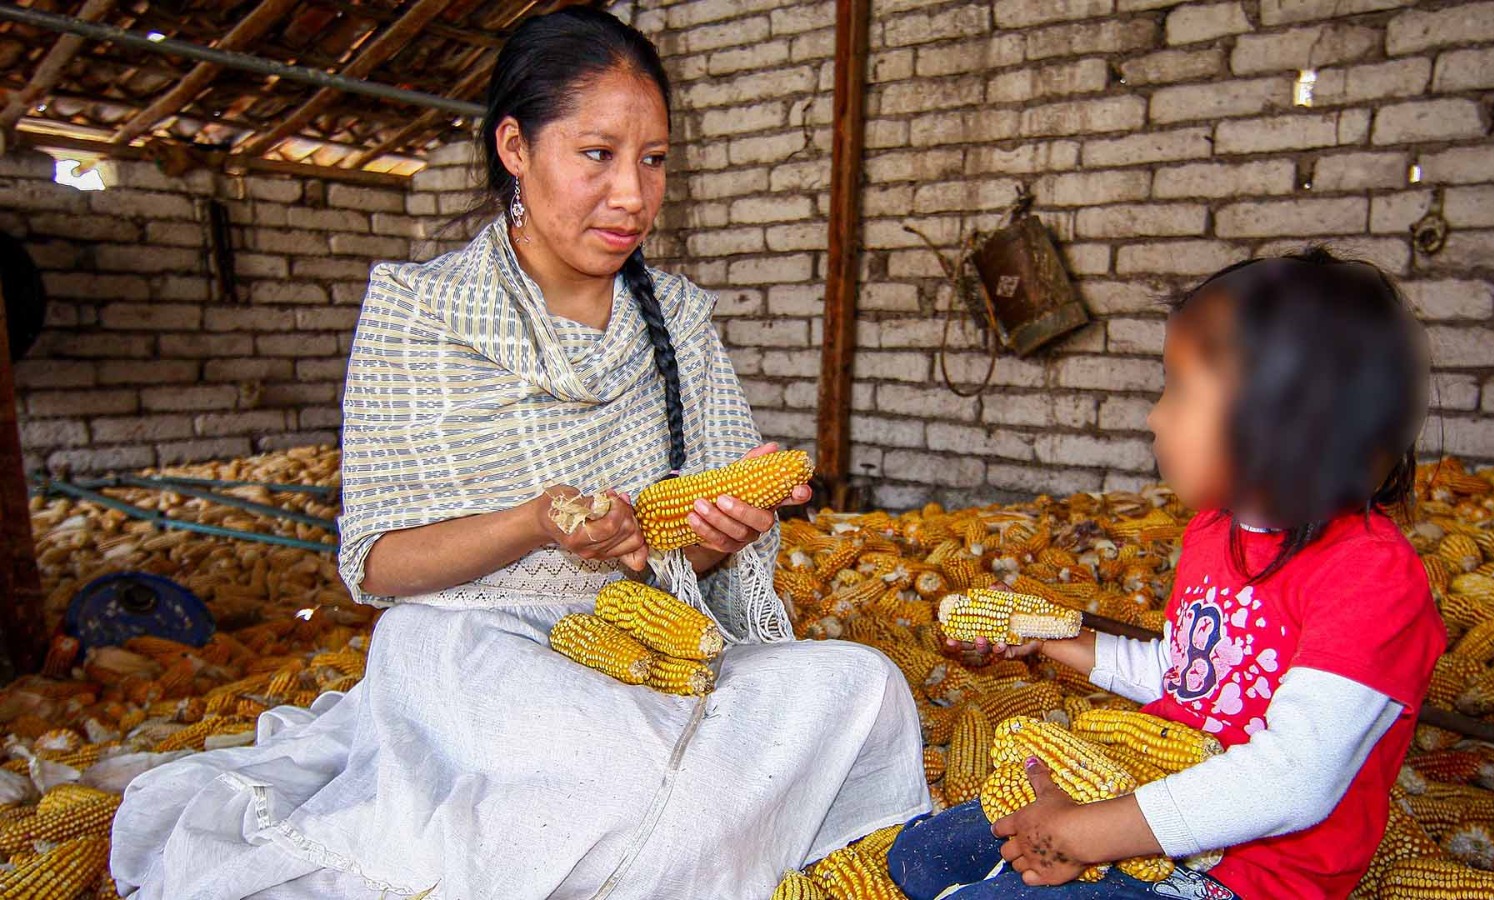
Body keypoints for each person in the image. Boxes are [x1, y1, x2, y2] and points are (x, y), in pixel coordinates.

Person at [108, 8, 928, 898]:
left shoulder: (680, 321)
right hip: (476, 649)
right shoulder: (421, 312)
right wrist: (537, 524)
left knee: (861, 685)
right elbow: (378, 564)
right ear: (514, 147)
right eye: (597, 155)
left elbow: (674, 564)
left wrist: (709, 541)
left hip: (637, 643)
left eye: (653, 161)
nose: (632, 196)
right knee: (617, 769)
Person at [887, 248, 1446, 899]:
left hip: (1244, 877)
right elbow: (1189, 679)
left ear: (1286, 420)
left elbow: (1293, 780)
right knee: (919, 859)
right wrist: (1048, 640)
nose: (1155, 415)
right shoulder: (1217, 531)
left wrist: (1081, 835)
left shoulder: (1372, 578)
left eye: (1179, 390)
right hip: (1149, 802)